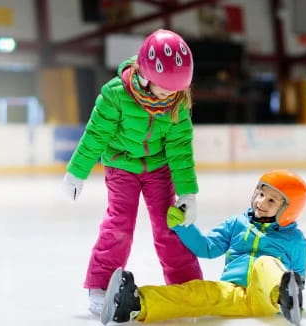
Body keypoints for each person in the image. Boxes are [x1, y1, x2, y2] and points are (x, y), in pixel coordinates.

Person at [61, 29, 203, 316]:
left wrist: (188, 191)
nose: (169, 95)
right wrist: (77, 172)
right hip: (121, 165)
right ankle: (100, 286)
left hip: (158, 168)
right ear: (146, 74)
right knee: (119, 224)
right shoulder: (115, 95)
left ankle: (187, 285)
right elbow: (95, 136)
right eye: (164, 88)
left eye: (175, 89)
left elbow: (180, 149)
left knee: (169, 227)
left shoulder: (177, 103)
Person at [100, 169, 306, 325]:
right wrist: (184, 226)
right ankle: (135, 304)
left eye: (272, 200)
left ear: (288, 210)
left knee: (266, 264)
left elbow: (298, 278)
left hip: (267, 298)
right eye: (261, 194)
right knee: (197, 291)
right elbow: (207, 247)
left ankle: (283, 296)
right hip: (233, 292)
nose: (261, 202)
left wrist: (290, 295)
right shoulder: (237, 224)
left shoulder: (295, 240)